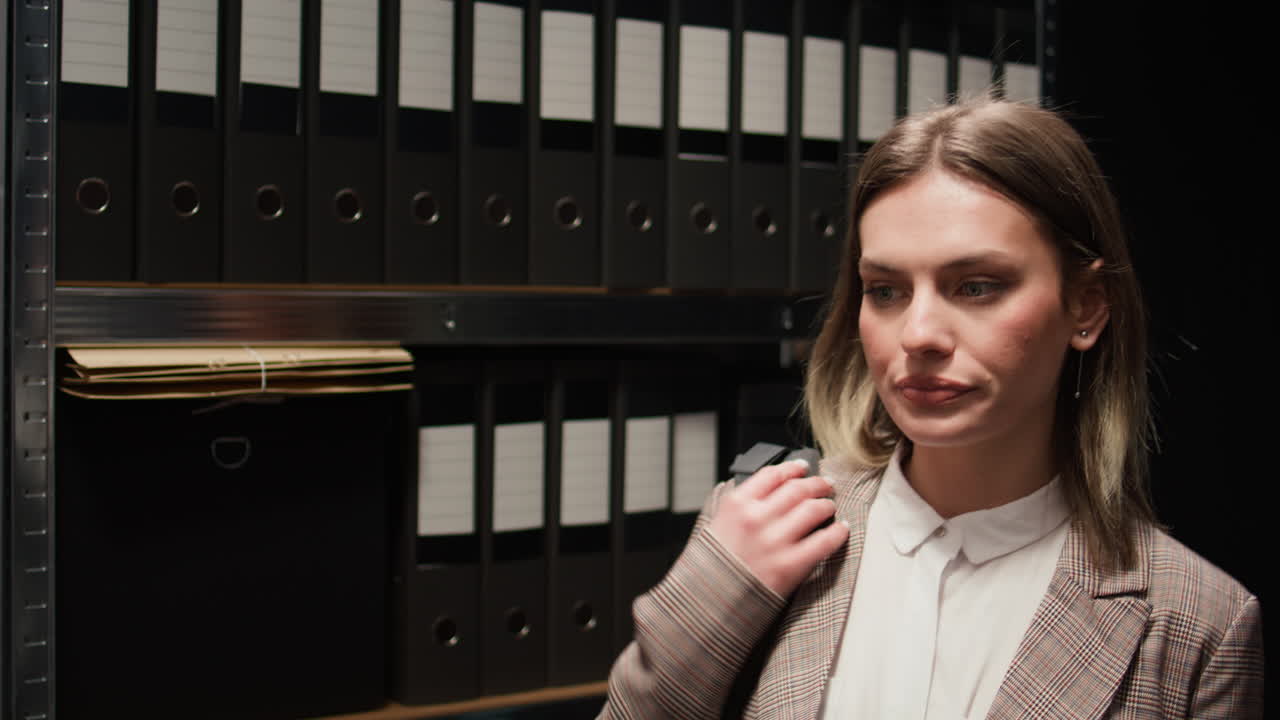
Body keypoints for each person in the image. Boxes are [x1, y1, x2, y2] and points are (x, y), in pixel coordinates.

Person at [597, 96, 1264, 719]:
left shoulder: (1197, 624)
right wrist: (717, 591)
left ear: (1086, 307)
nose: (917, 335)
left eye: (976, 286)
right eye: (885, 290)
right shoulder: (764, 527)